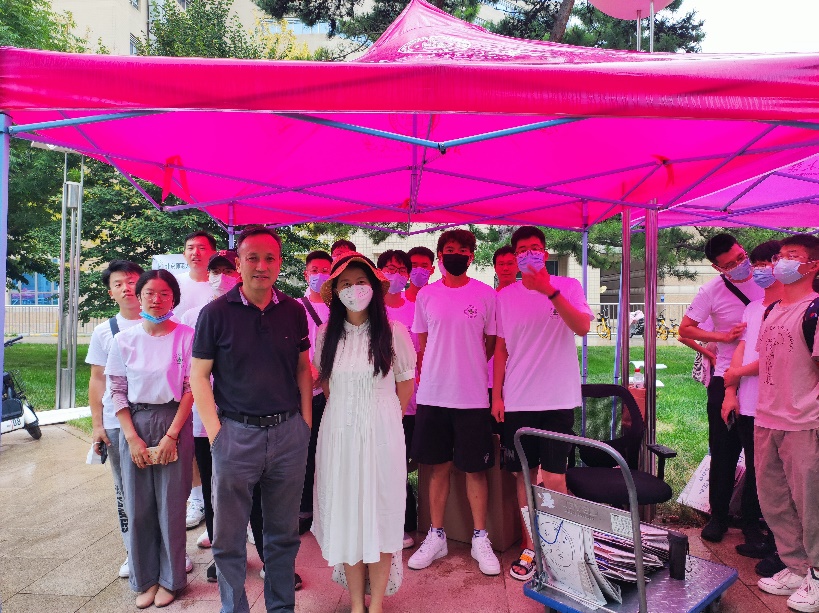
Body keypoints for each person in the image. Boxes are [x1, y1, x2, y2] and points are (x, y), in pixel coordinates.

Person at [191, 226, 312, 613]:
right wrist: (217, 435)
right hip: (235, 435)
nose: (261, 265)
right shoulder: (214, 314)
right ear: (239, 263)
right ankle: (234, 608)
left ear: (279, 263)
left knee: (283, 535)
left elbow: (303, 369)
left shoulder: (293, 311)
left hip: (288, 435)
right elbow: (198, 376)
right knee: (228, 540)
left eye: (269, 258)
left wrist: (305, 425)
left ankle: (281, 607)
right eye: (252, 258)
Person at [312, 253, 416, 613]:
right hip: (339, 434)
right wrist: (350, 418)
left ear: (373, 288)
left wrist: (384, 420)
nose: (354, 290)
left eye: (360, 282)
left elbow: (405, 384)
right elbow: (327, 386)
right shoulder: (326, 335)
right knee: (348, 518)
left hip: (382, 435)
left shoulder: (394, 332)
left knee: (382, 514)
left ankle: (377, 605)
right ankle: (357, 603)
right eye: (345, 283)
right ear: (336, 292)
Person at [492, 227, 592, 581]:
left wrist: (549, 290)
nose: (529, 254)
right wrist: (497, 395)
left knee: (554, 477)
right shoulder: (505, 296)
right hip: (518, 399)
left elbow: (582, 327)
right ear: (515, 256)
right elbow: (501, 348)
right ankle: (531, 545)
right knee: (523, 477)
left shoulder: (568, 286)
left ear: (545, 253)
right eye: (522, 250)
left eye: (535, 248)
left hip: (557, 398)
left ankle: (561, 548)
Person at [408, 229, 500, 576]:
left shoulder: (486, 295)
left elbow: (489, 344)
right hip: (433, 395)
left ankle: (480, 537)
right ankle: (436, 535)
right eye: (449, 249)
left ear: (471, 256)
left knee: (475, 470)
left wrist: (467, 365)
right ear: (441, 255)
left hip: (472, 396)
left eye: (463, 250)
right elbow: (423, 343)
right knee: (438, 468)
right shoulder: (426, 295)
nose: (456, 254)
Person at [105, 269, 195, 609]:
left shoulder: (187, 336)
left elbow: (191, 388)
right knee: (138, 504)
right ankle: (145, 579)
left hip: (174, 421)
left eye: (164, 294)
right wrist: (132, 438)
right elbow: (117, 391)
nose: (157, 300)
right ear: (139, 297)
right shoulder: (123, 340)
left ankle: (172, 580)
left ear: (174, 298)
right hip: (135, 423)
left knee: (171, 504)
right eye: (149, 293)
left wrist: (172, 435)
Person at [678, 233, 763, 543]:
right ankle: (718, 517)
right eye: (730, 264)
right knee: (724, 450)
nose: (741, 265)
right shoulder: (711, 291)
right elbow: (685, 329)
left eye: (741, 257)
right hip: (726, 377)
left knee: (758, 456)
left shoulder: (767, 281)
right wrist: (720, 339)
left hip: (763, 379)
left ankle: (752, 520)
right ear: (718, 268)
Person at [752, 234, 819, 612]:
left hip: (804, 422)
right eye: (780, 256)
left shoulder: (815, 310)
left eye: (792, 256)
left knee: (811, 503)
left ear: (813, 265)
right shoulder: (772, 310)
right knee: (774, 500)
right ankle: (796, 567)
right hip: (767, 418)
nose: (782, 262)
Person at [179, 250, 240, 582]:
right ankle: (223, 552)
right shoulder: (193, 316)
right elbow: (189, 370)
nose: (221, 277)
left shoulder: (249, 311)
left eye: (227, 270)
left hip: (243, 417)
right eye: (215, 271)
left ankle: (253, 543)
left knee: (246, 487)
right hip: (205, 419)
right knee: (214, 487)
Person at [721, 241, 782, 560]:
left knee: (775, 475)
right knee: (756, 469)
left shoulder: (792, 309)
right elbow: (742, 348)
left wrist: (736, 373)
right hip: (747, 403)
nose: (760, 270)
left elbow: (774, 357)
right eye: (756, 264)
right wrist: (730, 391)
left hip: (776, 405)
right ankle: (753, 531)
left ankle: (777, 542)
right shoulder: (754, 308)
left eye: (766, 263)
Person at [86, 259, 145, 580]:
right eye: (118, 284)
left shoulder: (164, 323)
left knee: (162, 489)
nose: (126, 288)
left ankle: (169, 551)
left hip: (155, 419)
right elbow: (97, 380)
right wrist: (97, 425)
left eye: (132, 281)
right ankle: (133, 552)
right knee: (124, 490)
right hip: (115, 421)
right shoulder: (103, 331)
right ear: (111, 292)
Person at [174, 230, 218, 531]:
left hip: (221, 378)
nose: (196, 252)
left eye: (202, 247)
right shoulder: (176, 285)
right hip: (188, 371)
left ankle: (223, 502)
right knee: (193, 438)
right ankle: (198, 498)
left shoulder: (222, 283)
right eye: (190, 247)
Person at [377, 249, 420, 549]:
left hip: (410, 400)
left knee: (402, 465)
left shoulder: (416, 309)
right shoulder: (372, 310)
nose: (396, 274)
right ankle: (385, 524)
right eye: (389, 269)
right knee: (382, 464)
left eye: (402, 270)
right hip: (379, 402)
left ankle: (406, 521)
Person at [297, 250, 333, 536]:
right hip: (301, 391)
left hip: (330, 391)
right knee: (303, 451)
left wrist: (325, 374)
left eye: (325, 270)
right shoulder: (295, 307)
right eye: (314, 270)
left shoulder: (338, 309)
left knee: (327, 450)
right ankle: (304, 508)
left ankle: (327, 508)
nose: (319, 275)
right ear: (306, 274)